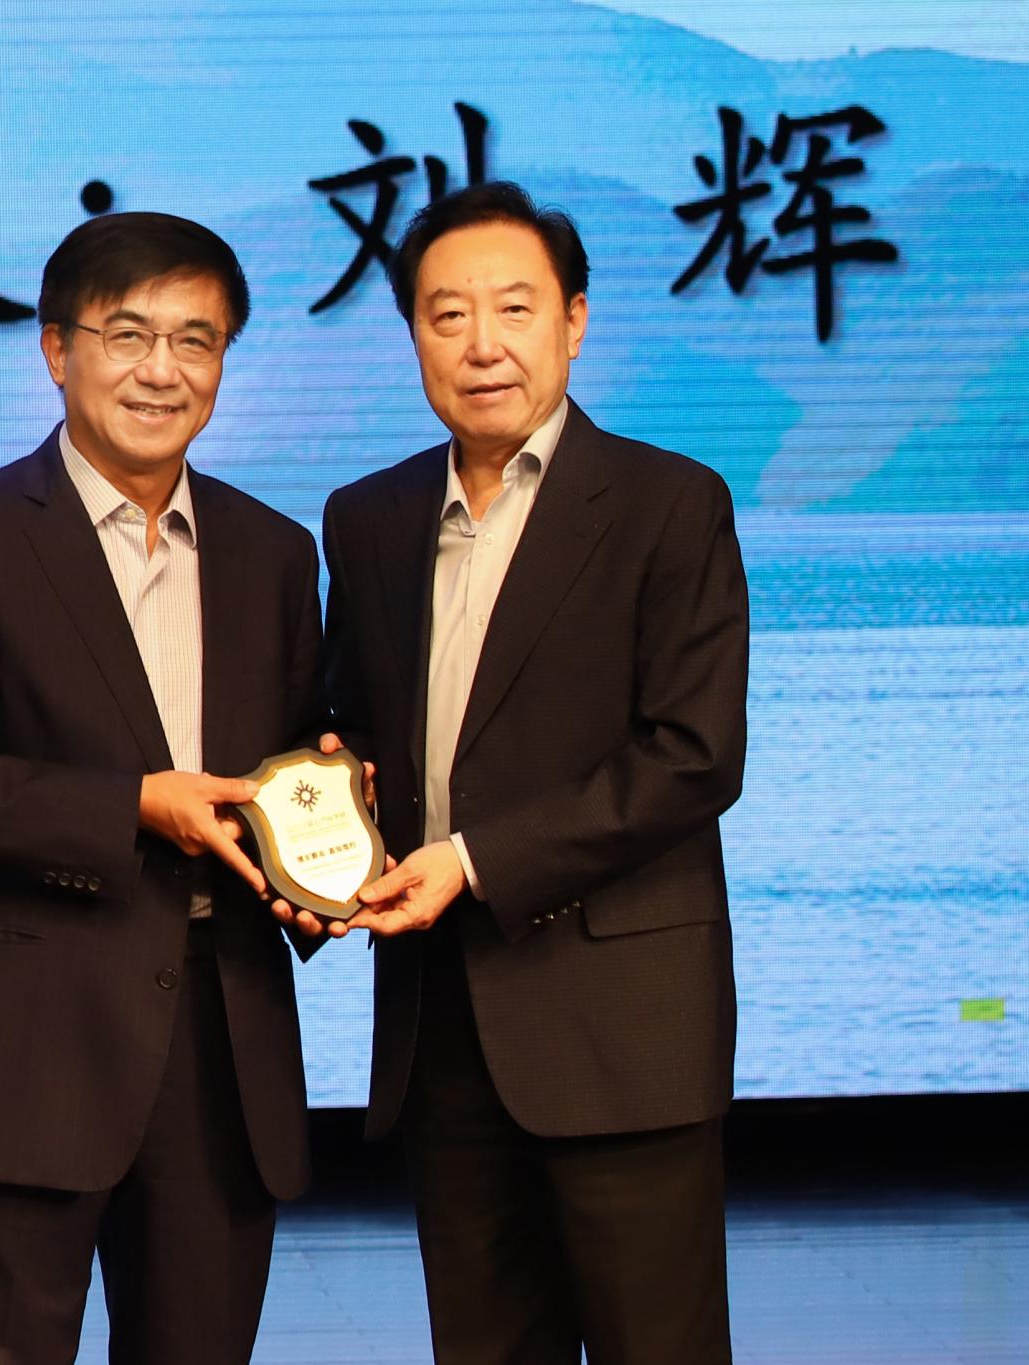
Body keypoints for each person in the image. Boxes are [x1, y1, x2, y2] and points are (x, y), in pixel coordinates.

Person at [0, 212, 326, 1365]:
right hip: (23, 1052)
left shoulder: (273, 553)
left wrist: (325, 855)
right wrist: (131, 807)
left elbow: (287, 777)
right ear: (56, 350)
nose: (162, 370)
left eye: (195, 340)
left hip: (221, 1052)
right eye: (127, 335)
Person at [304, 180, 750, 1363]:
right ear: (413, 335)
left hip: (620, 1029)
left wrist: (470, 861)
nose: (481, 345)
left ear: (574, 321)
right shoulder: (368, 517)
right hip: (442, 1028)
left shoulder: (668, 504)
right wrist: (316, 820)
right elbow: (348, 730)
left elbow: (693, 757)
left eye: (513, 308)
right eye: (446, 315)